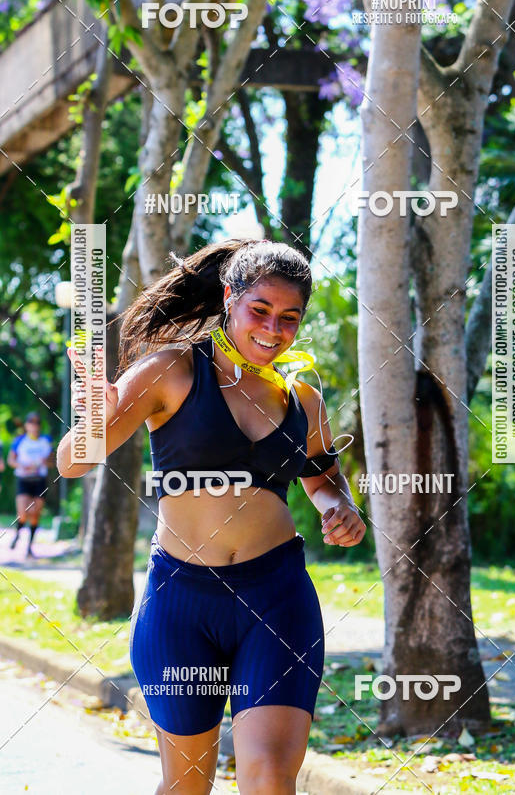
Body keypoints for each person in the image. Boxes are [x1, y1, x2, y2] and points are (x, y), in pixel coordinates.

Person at [57, 238, 366, 795]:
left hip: (276, 597)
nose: (273, 329)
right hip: (181, 601)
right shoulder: (170, 372)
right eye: (261, 311)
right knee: (187, 784)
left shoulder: (301, 397)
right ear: (229, 296)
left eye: (289, 318)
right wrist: (92, 422)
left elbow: (321, 477)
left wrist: (338, 507)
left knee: (270, 777)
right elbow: (72, 464)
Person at [7, 411, 54, 557]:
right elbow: (11, 461)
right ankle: (18, 533)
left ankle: (29, 546)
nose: (34, 425)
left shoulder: (46, 440)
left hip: (39, 481)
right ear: (27, 425)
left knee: (35, 514)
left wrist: (43, 462)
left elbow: (53, 461)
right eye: (31, 422)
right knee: (22, 513)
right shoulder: (19, 440)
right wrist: (22, 466)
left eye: (37, 422)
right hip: (24, 480)